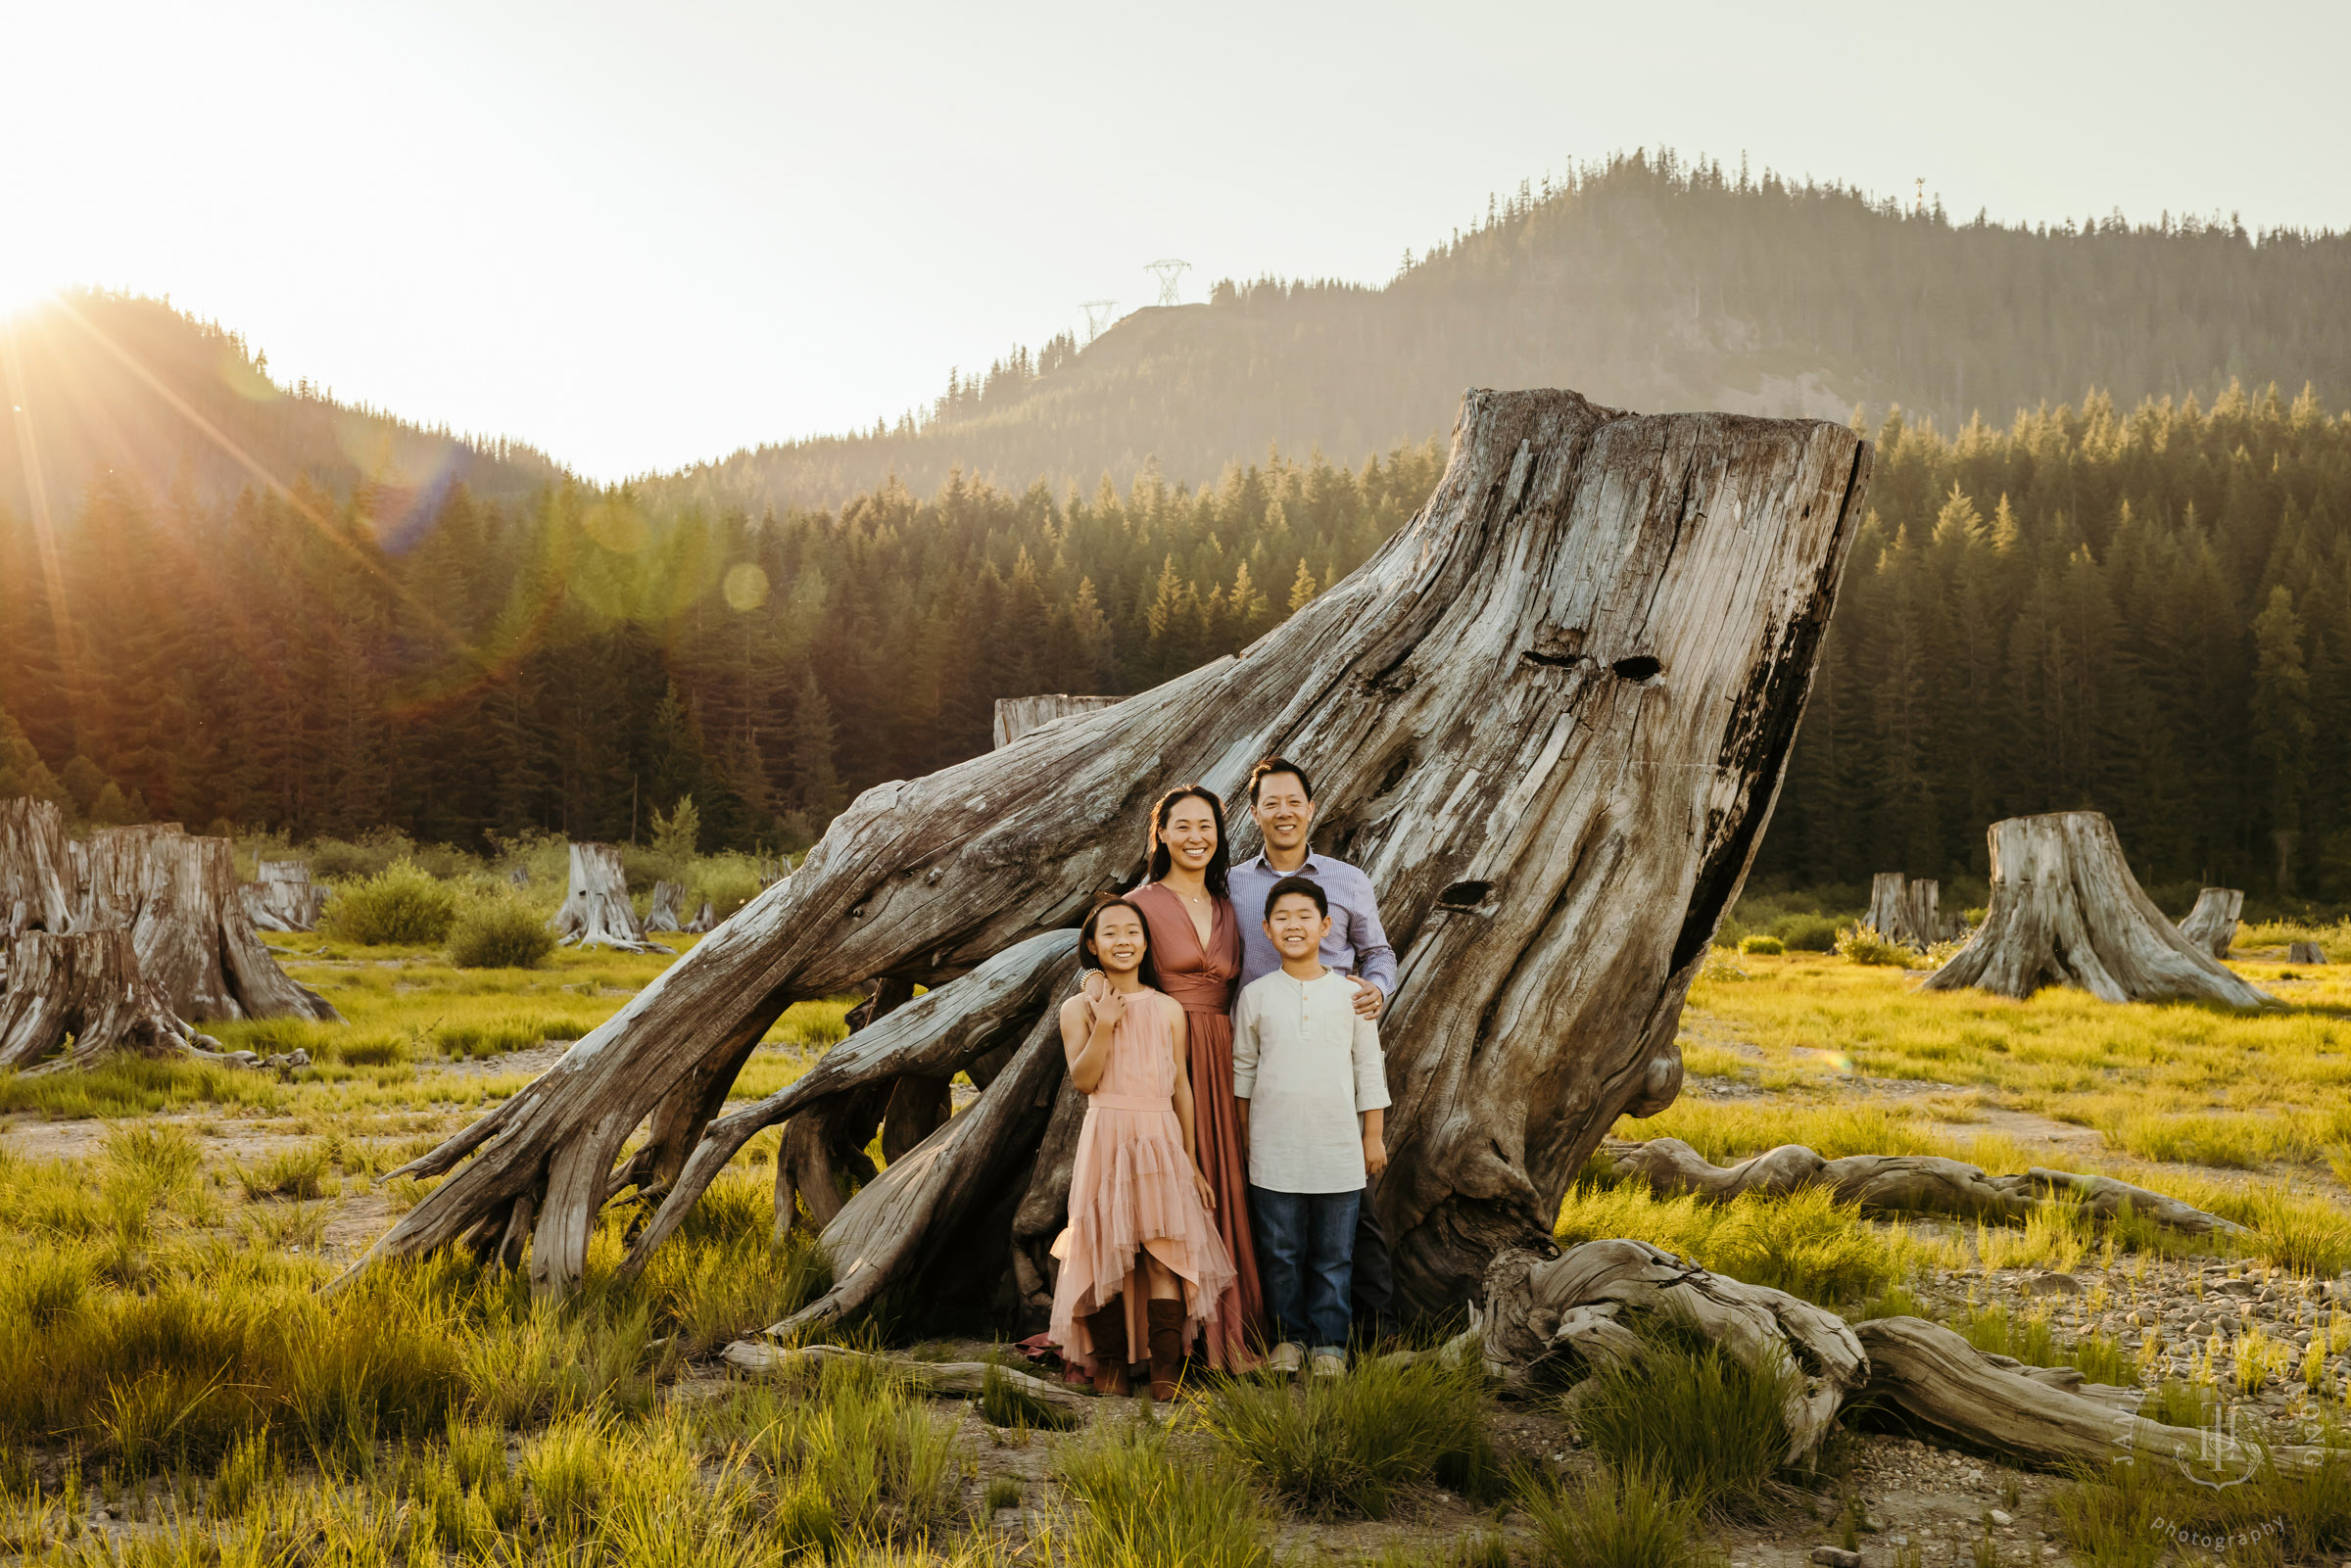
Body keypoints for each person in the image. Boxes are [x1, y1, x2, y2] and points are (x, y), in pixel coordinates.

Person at [1225, 756, 1400, 1337]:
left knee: (1350, 1212)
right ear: (1254, 814)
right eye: (1270, 803)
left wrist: (1372, 993)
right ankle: (1279, 1334)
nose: (1283, 812)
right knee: (1274, 1217)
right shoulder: (1233, 883)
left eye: (1293, 801)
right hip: (1264, 1044)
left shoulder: (1347, 880)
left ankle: (1367, 1335)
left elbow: (1378, 954)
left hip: (1336, 1040)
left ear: (1311, 808)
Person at [1046, 896, 1237, 1401]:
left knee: (1162, 1256)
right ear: (1092, 944)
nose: (1123, 941)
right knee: (1105, 1248)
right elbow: (1084, 1080)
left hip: (1159, 1137)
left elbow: (1182, 1089)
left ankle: (1164, 1369)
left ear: (1147, 941)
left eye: (1132, 931)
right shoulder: (1077, 1008)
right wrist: (1105, 1020)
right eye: (1110, 933)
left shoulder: (1169, 1008)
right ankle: (1109, 1363)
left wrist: (1193, 1162)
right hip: (1107, 1131)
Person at [1123, 784, 1264, 1370]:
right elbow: (1114, 961)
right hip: (1165, 1059)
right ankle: (1165, 1345)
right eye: (1182, 826)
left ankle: (1225, 1336)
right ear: (1161, 834)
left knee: (1225, 1184)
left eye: (1206, 826)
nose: (1195, 837)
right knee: (1173, 1187)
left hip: (1222, 1050)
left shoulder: (1229, 906)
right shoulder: (1140, 902)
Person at [1232, 876, 1389, 1378]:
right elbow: (1243, 1073)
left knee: (1334, 1257)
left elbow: (1369, 1068)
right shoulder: (1256, 996)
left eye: (1305, 917)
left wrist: (1372, 1135)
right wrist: (1243, 1139)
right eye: (1282, 918)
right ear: (1266, 929)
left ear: (1326, 926)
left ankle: (1329, 1346)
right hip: (1274, 1150)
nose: (1293, 926)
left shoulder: (1352, 995)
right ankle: (1288, 1340)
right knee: (1280, 1253)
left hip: (1338, 1150)